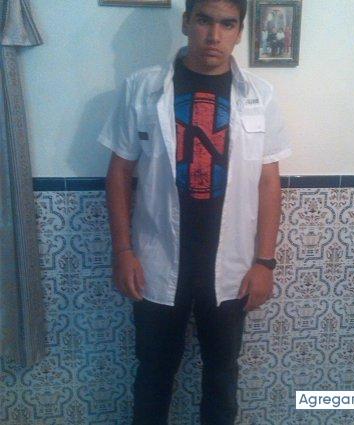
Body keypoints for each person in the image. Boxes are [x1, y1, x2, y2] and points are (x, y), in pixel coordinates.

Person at [97, 0, 292, 423]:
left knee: (222, 377)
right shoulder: (142, 88)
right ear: (186, 22)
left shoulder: (259, 96)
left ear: (239, 31)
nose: (214, 35)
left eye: (227, 24)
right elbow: (119, 173)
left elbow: (268, 182)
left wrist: (264, 262)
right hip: (156, 261)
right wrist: (123, 252)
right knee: (153, 374)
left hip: (231, 268)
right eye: (204, 20)